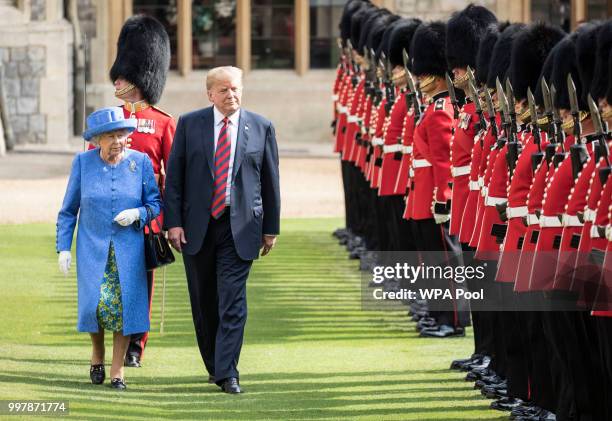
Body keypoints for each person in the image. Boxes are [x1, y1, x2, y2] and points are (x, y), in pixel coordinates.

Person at [164, 66, 281, 394]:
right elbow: (175, 178)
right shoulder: (189, 124)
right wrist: (172, 223)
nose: (231, 95)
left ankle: (228, 371)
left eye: (236, 89)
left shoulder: (261, 127)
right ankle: (215, 363)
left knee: (233, 299)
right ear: (210, 94)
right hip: (197, 227)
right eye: (224, 90)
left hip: (240, 227)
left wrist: (270, 228)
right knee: (205, 300)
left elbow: (270, 182)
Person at [56, 106, 162, 390]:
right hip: (92, 249)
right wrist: (63, 248)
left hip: (128, 251)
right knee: (96, 306)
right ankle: (97, 354)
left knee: (123, 309)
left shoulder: (139, 162)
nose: (118, 141)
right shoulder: (82, 163)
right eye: (111, 136)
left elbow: (154, 204)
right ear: (97, 140)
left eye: (122, 134)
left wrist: (138, 214)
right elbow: (68, 211)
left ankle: (117, 371)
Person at [95, 14, 176, 368]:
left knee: (141, 286)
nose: (120, 81)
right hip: (110, 215)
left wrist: (170, 221)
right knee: (110, 283)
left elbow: (172, 176)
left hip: (145, 218)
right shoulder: (109, 119)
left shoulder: (163, 122)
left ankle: (134, 347)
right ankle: (112, 344)